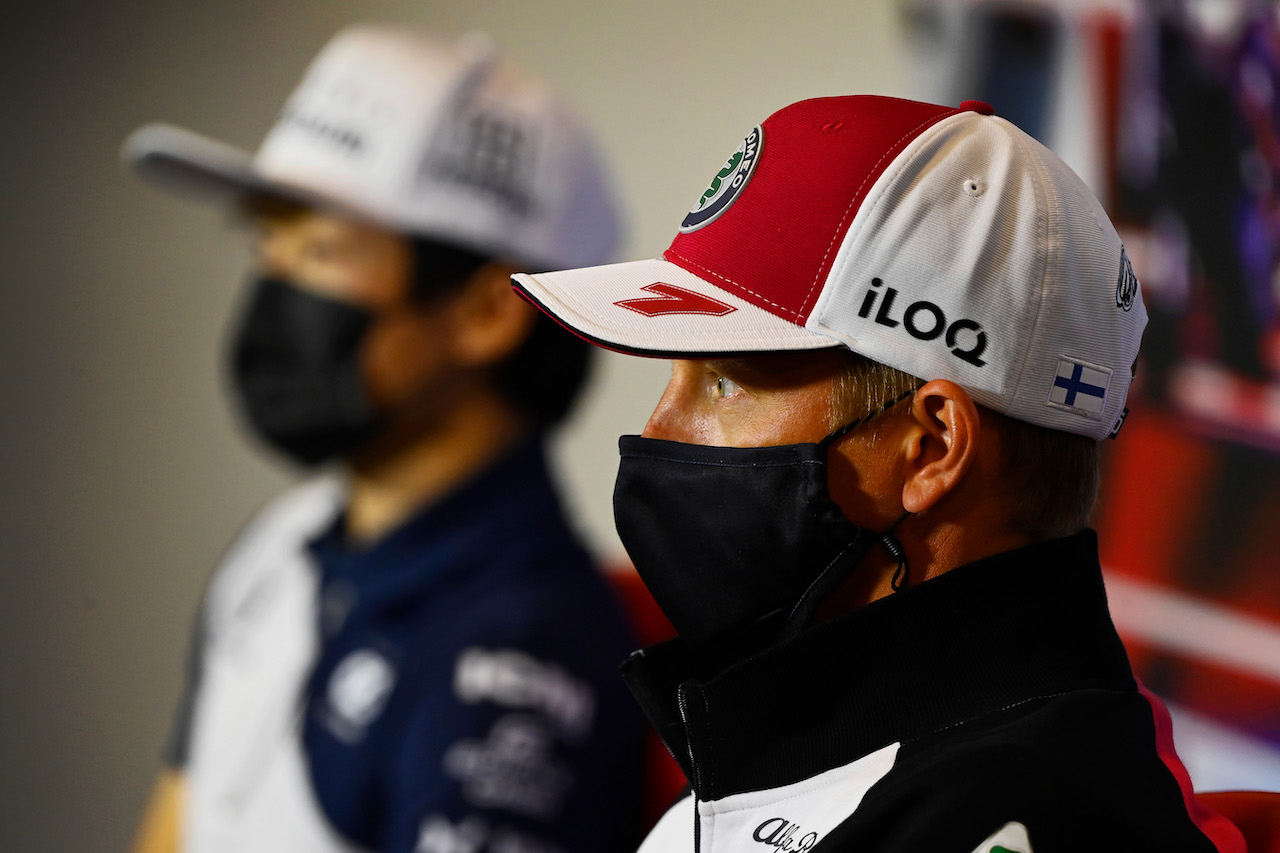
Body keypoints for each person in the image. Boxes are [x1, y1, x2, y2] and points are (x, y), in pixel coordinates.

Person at [510, 95, 1250, 851]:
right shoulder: (777, 759)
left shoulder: (1026, 814)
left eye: (724, 384)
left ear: (928, 449)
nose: (659, 432)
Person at [123, 25, 645, 853]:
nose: (274, 285)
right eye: (267, 242)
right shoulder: (278, 550)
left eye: (322, 248)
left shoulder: (521, 657)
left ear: (485, 311)